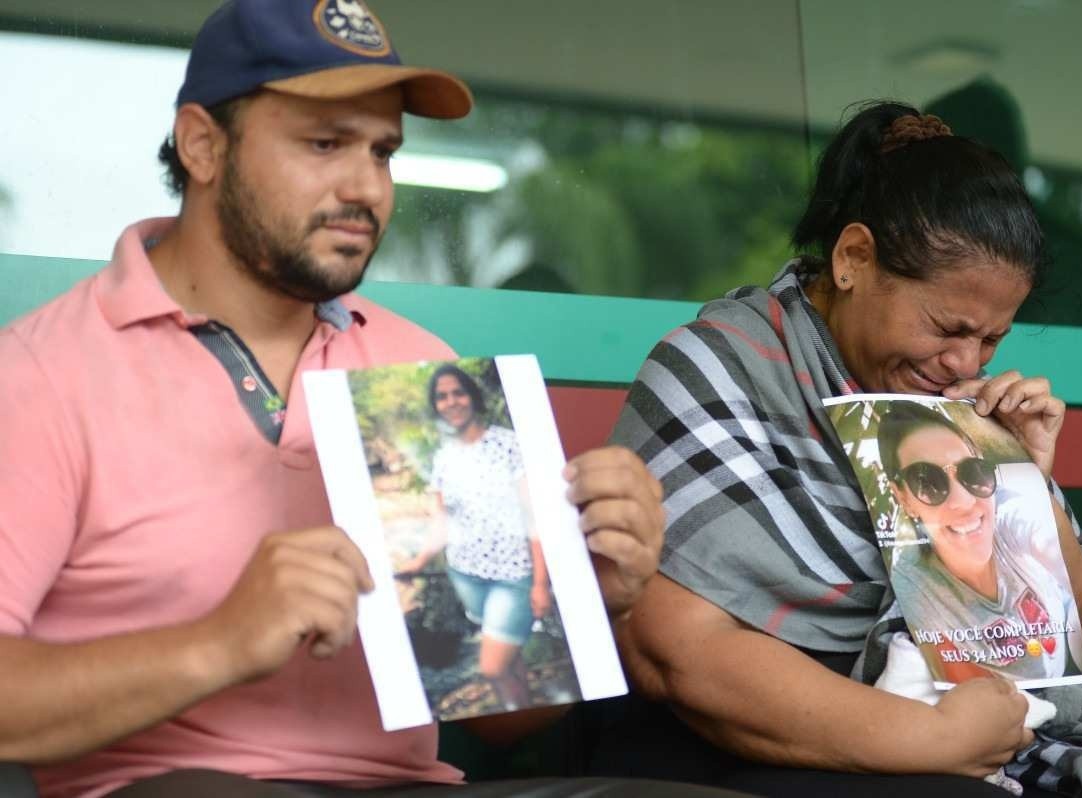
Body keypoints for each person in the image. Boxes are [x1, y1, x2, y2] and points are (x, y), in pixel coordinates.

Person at [0, 3, 748, 797]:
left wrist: (592, 598)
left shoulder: (422, 372)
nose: (367, 187)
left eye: (383, 151)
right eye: (324, 144)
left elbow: (499, 708)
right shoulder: (43, 372)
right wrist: (219, 643)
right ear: (202, 144)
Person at [605, 101, 1082, 796]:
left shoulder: (962, 414)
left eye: (991, 339)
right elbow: (677, 652)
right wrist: (929, 739)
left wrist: (1023, 490)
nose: (965, 363)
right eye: (946, 326)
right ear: (853, 259)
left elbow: (1079, 638)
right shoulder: (720, 369)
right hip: (737, 761)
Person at [877, 402, 1082, 684]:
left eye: (971, 472)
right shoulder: (913, 581)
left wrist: (1040, 492)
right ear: (903, 497)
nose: (963, 502)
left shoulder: (1012, 513)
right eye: (927, 482)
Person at [397, 365, 551, 711]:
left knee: (491, 666)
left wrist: (540, 582)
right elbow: (442, 522)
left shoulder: (509, 445)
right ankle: (523, 708)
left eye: (457, 392)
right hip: (466, 575)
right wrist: (419, 561)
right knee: (509, 657)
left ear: (472, 396)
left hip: (514, 576)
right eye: (442, 396)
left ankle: (517, 720)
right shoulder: (442, 458)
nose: (451, 402)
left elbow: (533, 516)